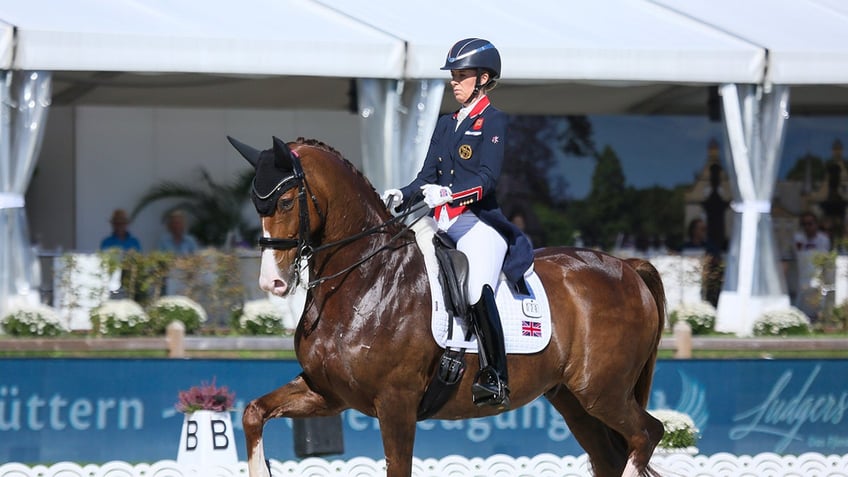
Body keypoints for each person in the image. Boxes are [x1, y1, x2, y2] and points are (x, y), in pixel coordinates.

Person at [382, 38, 533, 409]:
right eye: (454, 75)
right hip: (441, 223)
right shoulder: (446, 123)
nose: (455, 81)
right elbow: (425, 177)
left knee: (476, 288)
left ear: (483, 78)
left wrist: (449, 195)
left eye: (462, 75)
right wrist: (403, 194)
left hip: (478, 223)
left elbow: (487, 179)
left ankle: (495, 375)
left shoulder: (493, 120)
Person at [793, 211, 831, 318]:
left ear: (816, 224)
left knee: (819, 298)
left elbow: (825, 258)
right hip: (802, 274)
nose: (807, 227)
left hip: (818, 275)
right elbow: (798, 252)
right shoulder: (798, 238)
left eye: (810, 224)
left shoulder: (823, 239)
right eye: (804, 224)